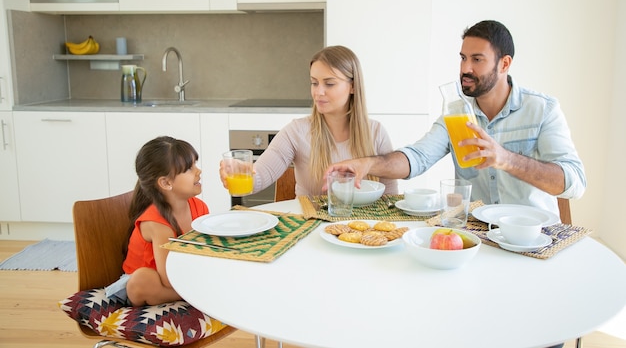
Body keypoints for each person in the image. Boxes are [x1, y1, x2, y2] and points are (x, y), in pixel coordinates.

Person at [324, 20, 586, 218]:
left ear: (504, 64)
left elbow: (574, 183)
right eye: (463, 58)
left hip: (534, 239)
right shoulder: (456, 113)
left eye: (477, 59)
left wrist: (506, 159)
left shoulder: (542, 110)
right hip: (479, 236)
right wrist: (366, 165)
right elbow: (417, 158)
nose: (465, 69)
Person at [220, 45, 398, 196]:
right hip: (308, 230)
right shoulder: (296, 132)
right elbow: (258, 178)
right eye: (314, 83)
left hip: (363, 232)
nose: (318, 92)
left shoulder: (376, 133)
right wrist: (240, 171)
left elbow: (390, 198)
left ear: (352, 86)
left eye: (329, 84)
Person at [105, 136, 207, 306]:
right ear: (166, 183)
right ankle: (193, 294)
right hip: (152, 281)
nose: (198, 171)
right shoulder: (157, 223)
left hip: (181, 275)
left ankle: (193, 290)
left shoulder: (200, 207)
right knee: (143, 279)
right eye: (189, 168)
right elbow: (167, 278)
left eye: (195, 164)